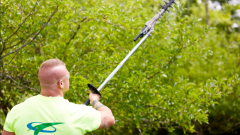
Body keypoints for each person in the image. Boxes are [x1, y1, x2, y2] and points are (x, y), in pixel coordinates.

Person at [2, 59, 115, 135]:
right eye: (68, 76)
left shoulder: (17, 111)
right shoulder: (78, 113)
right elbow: (109, 118)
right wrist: (94, 100)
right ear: (61, 83)